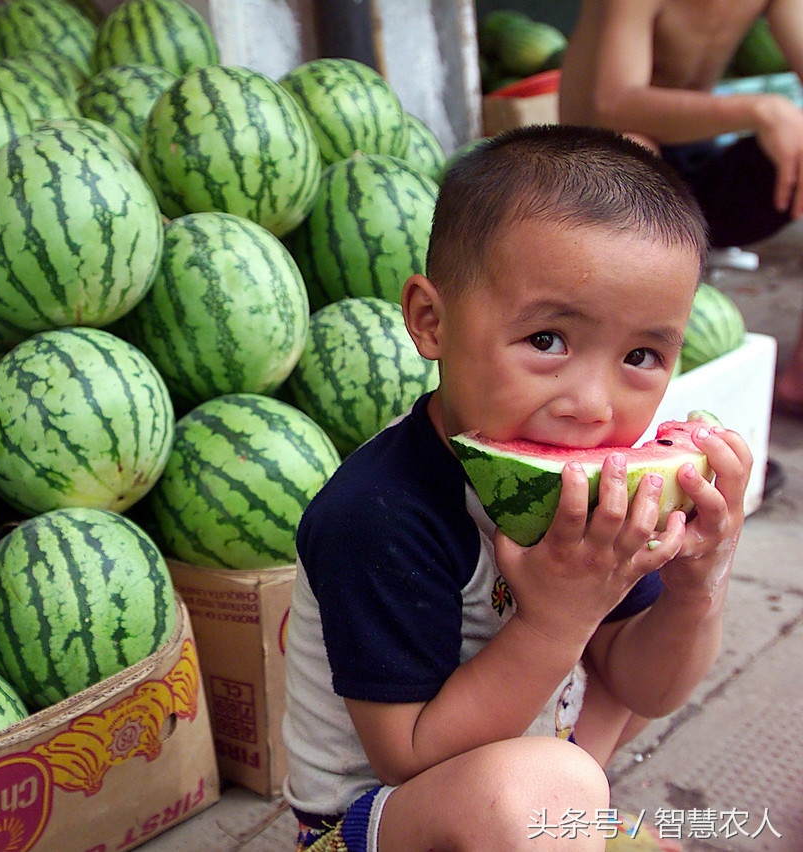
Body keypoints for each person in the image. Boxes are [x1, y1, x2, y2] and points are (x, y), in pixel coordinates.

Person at [282, 124, 753, 851]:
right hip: (378, 824)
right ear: (431, 321)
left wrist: (697, 587)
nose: (592, 406)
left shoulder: (599, 491)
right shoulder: (376, 516)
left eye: (640, 355)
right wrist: (558, 620)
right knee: (546, 785)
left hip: (529, 780)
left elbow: (647, 691)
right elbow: (406, 755)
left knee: (583, 739)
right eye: (547, 341)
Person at [558, 0, 803, 414]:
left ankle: (798, 382)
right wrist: (761, 109)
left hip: (695, 156)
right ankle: (617, 376)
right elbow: (612, 104)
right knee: (635, 147)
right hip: (598, 178)